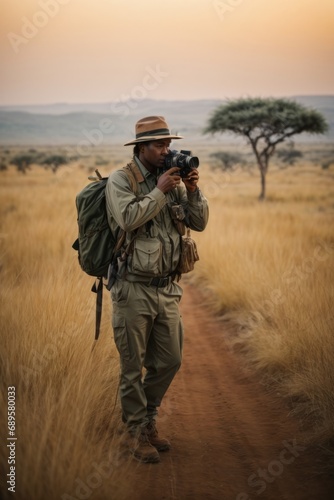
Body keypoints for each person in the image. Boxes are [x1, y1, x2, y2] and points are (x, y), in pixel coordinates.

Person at [105, 115, 209, 463]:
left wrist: (192, 191)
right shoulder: (122, 180)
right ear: (142, 148)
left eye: (169, 144)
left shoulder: (175, 180)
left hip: (167, 288)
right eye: (160, 145)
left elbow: (199, 223)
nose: (168, 150)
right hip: (132, 288)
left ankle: (146, 418)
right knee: (132, 366)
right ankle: (134, 432)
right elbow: (129, 219)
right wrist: (159, 190)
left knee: (170, 360)